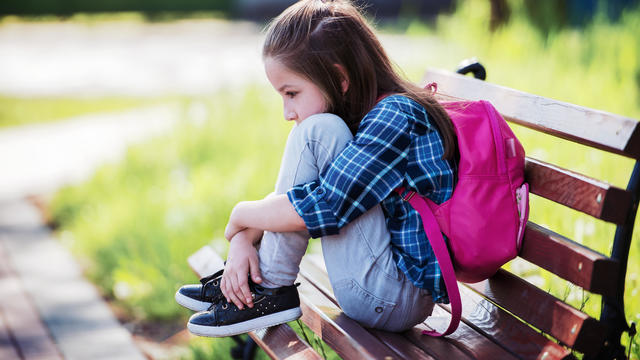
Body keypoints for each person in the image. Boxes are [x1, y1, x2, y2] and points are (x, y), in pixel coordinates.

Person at [176, 0, 458, 338]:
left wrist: (241, 215)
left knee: (316, 132)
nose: (287, 111)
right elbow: (312, 196)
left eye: (292, 93)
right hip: (386, 287)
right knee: (320, 131)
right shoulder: (373, 110)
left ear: (339, 78)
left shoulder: (394, 117)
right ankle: (265, 284)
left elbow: (325, 206)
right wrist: (243, 236)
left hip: (393, 296)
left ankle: (271, 288)